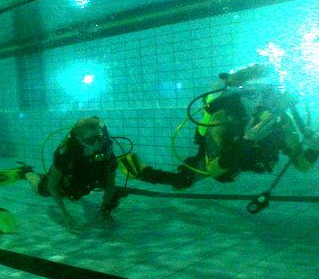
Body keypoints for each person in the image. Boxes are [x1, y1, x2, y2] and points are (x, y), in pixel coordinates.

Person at [119, 63, 319, 188]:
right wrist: (247, 140)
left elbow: (302, 165)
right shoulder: (222, 118)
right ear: (238, 95)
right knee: (182, 181)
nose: (261, 102)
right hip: (222, 162)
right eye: (251, 93)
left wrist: (315, 147)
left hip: (245, 160)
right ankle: (136, 170)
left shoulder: (281, 121)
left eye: (268, 93)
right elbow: (217, 172)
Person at [13, 117, 119, 230]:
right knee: (41, 189)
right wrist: (65, 214)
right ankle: (26, 172)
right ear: (79, 139)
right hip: (65, 181)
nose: (97, 145)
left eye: (99, 138)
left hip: (84, 178)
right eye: (90, 141)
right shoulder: (66, 154)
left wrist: (104, 209)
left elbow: (110, 183)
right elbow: (52, 186)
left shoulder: (106, 151)